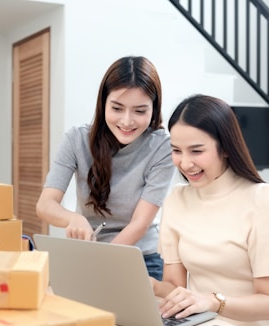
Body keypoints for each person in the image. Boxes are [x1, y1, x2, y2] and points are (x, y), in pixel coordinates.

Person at [151, 94, 269, 326]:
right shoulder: (176, 199)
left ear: (225, 147)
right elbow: (175, 288)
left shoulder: (263, 199)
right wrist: (149, 286)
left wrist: (212, 301)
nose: (185, 163)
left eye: (197, 151)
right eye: (176, 150)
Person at [35, 56, 175, 281]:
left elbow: (140, 223)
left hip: (141, 260)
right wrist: (72, 219)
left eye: (140, 111)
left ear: (154, 109)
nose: (127, 121)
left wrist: (101, 262)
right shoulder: (76, 139)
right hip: (89, 256)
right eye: (117, 108)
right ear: (103, 103)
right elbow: (45, 204)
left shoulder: (162, 147)